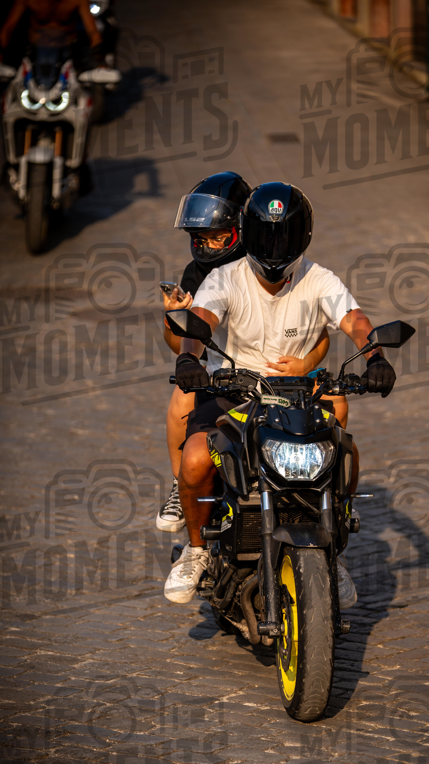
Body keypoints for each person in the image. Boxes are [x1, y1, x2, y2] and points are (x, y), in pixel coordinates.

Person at [164, 181, 396, 608]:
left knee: (345, 456)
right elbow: (200, 319)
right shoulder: (224, 278)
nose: (274, 248)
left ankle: (333, 551)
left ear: (301, 236)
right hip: (232, 391)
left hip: (298, 394)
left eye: (283, 237)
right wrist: (188, 358)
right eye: (266, 236)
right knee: (195, 461)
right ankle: (196, 550)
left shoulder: (319, 279)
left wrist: (375, 357)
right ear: (248, 234)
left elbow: (355, 319)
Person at [157, 172, 338, 532]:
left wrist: (305, 363)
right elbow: (181, 345)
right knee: (182, 397)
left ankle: (330, 491)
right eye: (200, 239)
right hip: (226, 374)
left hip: (281, 375)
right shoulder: (199, 274)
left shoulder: (277, 266)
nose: (208, 246)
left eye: (218, 237)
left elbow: (319, 335)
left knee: (336, 405)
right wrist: (172, 319)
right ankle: (181, 486)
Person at [0, 0, 102, 59]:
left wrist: (99, 58)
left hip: (68, 53)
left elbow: (92, 32)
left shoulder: (78, 1)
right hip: (32, 54)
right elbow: (8, 28)